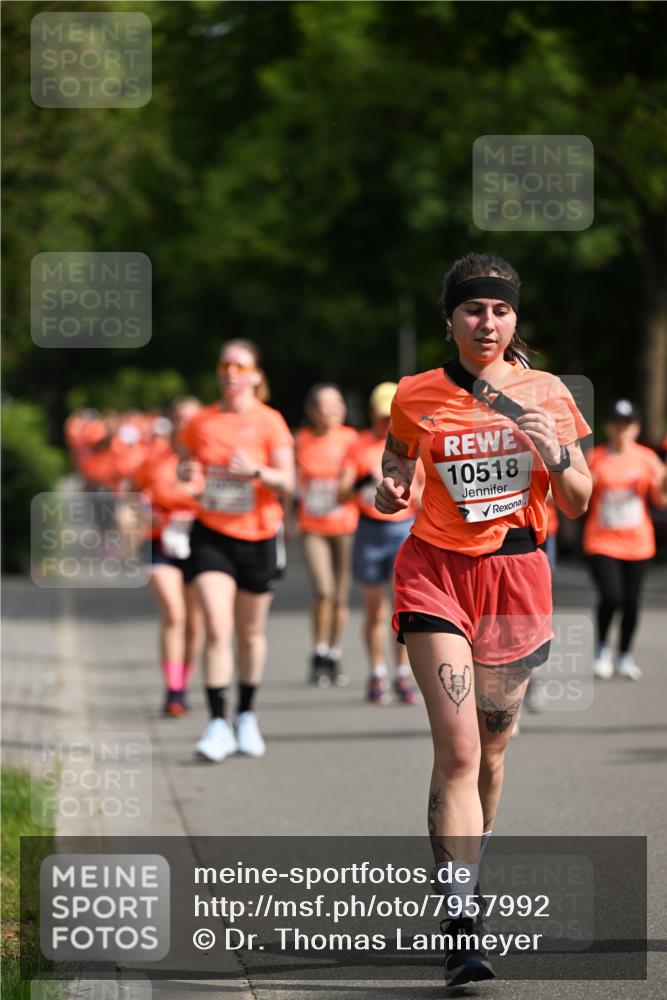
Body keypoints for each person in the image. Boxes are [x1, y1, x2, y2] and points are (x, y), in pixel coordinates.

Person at [375, 252, 592, 986]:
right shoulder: (416, 394)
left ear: (513, 318)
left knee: (493, 751)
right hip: (434, 573)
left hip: (515, 580)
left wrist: (553, 451)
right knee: (461, 750)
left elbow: (577, 500)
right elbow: (397, 464)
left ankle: (471, 859)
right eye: (472, 309)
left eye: (499, 310)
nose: (486, 322)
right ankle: (461, 920)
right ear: (451, 320)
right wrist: (389, 489)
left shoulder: (547, 392)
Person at [177, 340, 295, 762]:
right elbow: (185, 463)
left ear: (255, 375)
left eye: (240, 366)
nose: (231, 372)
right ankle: (216, 723)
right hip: (211, 535)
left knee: (249, 633)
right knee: (216, 625)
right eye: (225, 364)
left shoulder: (270, 421)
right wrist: (186, 471)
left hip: (259, 536)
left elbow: (289, 482)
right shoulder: (201, 421)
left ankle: (245, 715)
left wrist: (257, 471)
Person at [340, 383, 423, 705]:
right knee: (375, 611)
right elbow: (340, 493)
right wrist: (362, 484)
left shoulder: (412, 443)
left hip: (403, 529)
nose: (386, 423)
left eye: (392, 417)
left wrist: (404, 494)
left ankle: (402, 673)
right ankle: (377, 671)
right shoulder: (359, 446)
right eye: (381, 417)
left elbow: (424, 492)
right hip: (370, 531)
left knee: (403, 610)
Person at [583, 399, 667, 681]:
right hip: (602, 541)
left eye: (627, 424)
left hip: (638, 543)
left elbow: (661, 499)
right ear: (608, 427)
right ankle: (602, 649)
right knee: (611, 596)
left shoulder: (647, 459)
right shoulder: (594, 458)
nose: (621, 430)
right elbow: (579, 497)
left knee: (631, 602)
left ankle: (624, 654)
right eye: (616, 424)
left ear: (636, 428)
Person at [135, 398, 205, 715]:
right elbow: (134, 494)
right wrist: (142, 512)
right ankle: (173, 690)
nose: (184, 424)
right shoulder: (154, 459)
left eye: (190, 418)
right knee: (174, 615)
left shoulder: (209, 460)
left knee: (194, 624)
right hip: (160, 543)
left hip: (200, 545)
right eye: (178, 418)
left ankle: (183, 683)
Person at [295, 384, 359, 686]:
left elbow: (357, 474)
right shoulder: (301, 440)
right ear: (312, 411)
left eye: (338, 403)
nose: (334, 409)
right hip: (313, 527)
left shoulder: (351, 439)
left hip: (345, 526)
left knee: (341, 596)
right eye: (326, 404)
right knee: (324, 591)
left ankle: (334, 652)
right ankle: (319, 652)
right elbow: (293, 482)